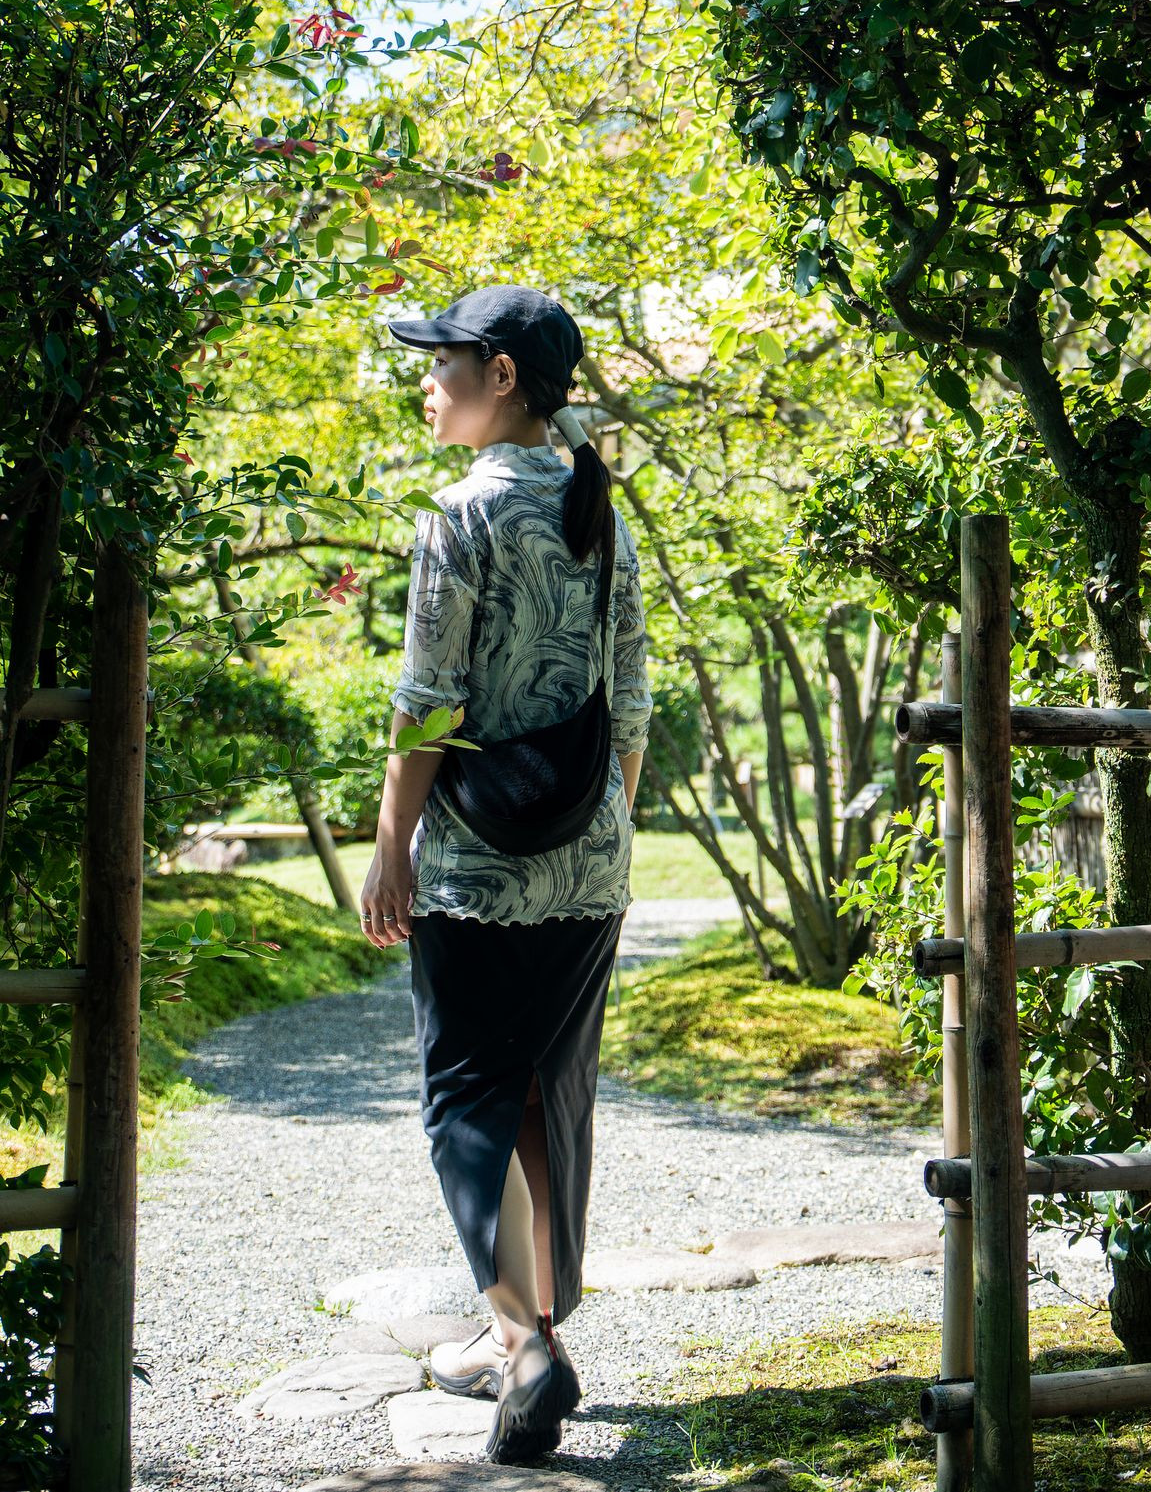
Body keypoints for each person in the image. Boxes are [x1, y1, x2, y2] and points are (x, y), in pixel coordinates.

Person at [358, 286, 648, 1467]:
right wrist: (595, 827)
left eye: (442, 363)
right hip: (593, 863)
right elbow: (631, 701)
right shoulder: (597, 508)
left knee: (467, 1100)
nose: (425, 384)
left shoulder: (459, 517)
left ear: (504, 376)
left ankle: (524, 1346)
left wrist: (391, 845)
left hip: (478, 872)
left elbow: (428, 701)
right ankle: (520, 1330)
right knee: (547, 1094)